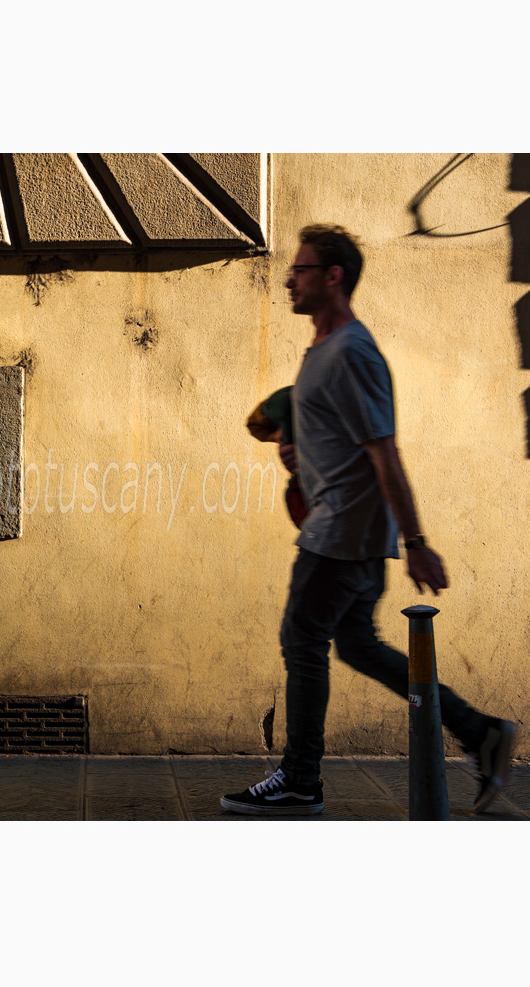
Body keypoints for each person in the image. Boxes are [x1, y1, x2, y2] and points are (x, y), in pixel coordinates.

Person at [220, 224, 517, 816]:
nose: (290, 278)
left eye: (301, 269)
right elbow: (345, 442)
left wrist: (417, 541)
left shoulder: (353, 352)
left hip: (343, 533)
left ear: (333, 277)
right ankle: (479, 730)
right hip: (346, 527)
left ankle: (301, 779)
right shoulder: (324, 352)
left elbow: (385, 451)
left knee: (301, 640)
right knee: (355, 645)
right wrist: (298, 451)